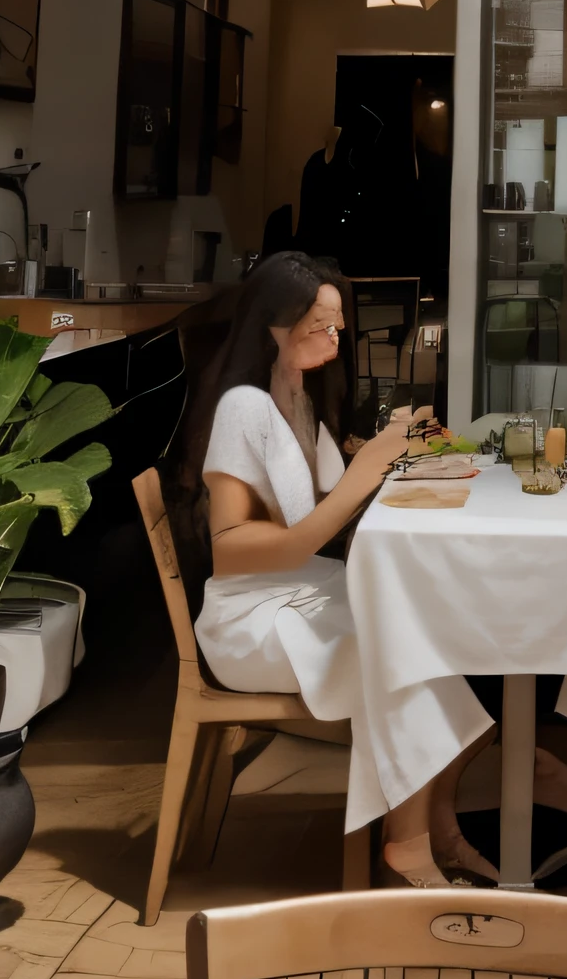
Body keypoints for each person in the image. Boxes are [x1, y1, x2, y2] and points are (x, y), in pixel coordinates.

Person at [184, 251, 489, 885]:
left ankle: (438, 829)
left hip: (298, 593)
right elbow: (232, 545)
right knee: (401, 647)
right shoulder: (244, 407)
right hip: (250, 620)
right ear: (273, 325)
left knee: (432, 630)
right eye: (321, 324)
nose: (336, 336)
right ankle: (411, 844)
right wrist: (364, 471)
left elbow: (329, 503)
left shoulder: (293, 394)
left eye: (337, 324)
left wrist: (401, 455)